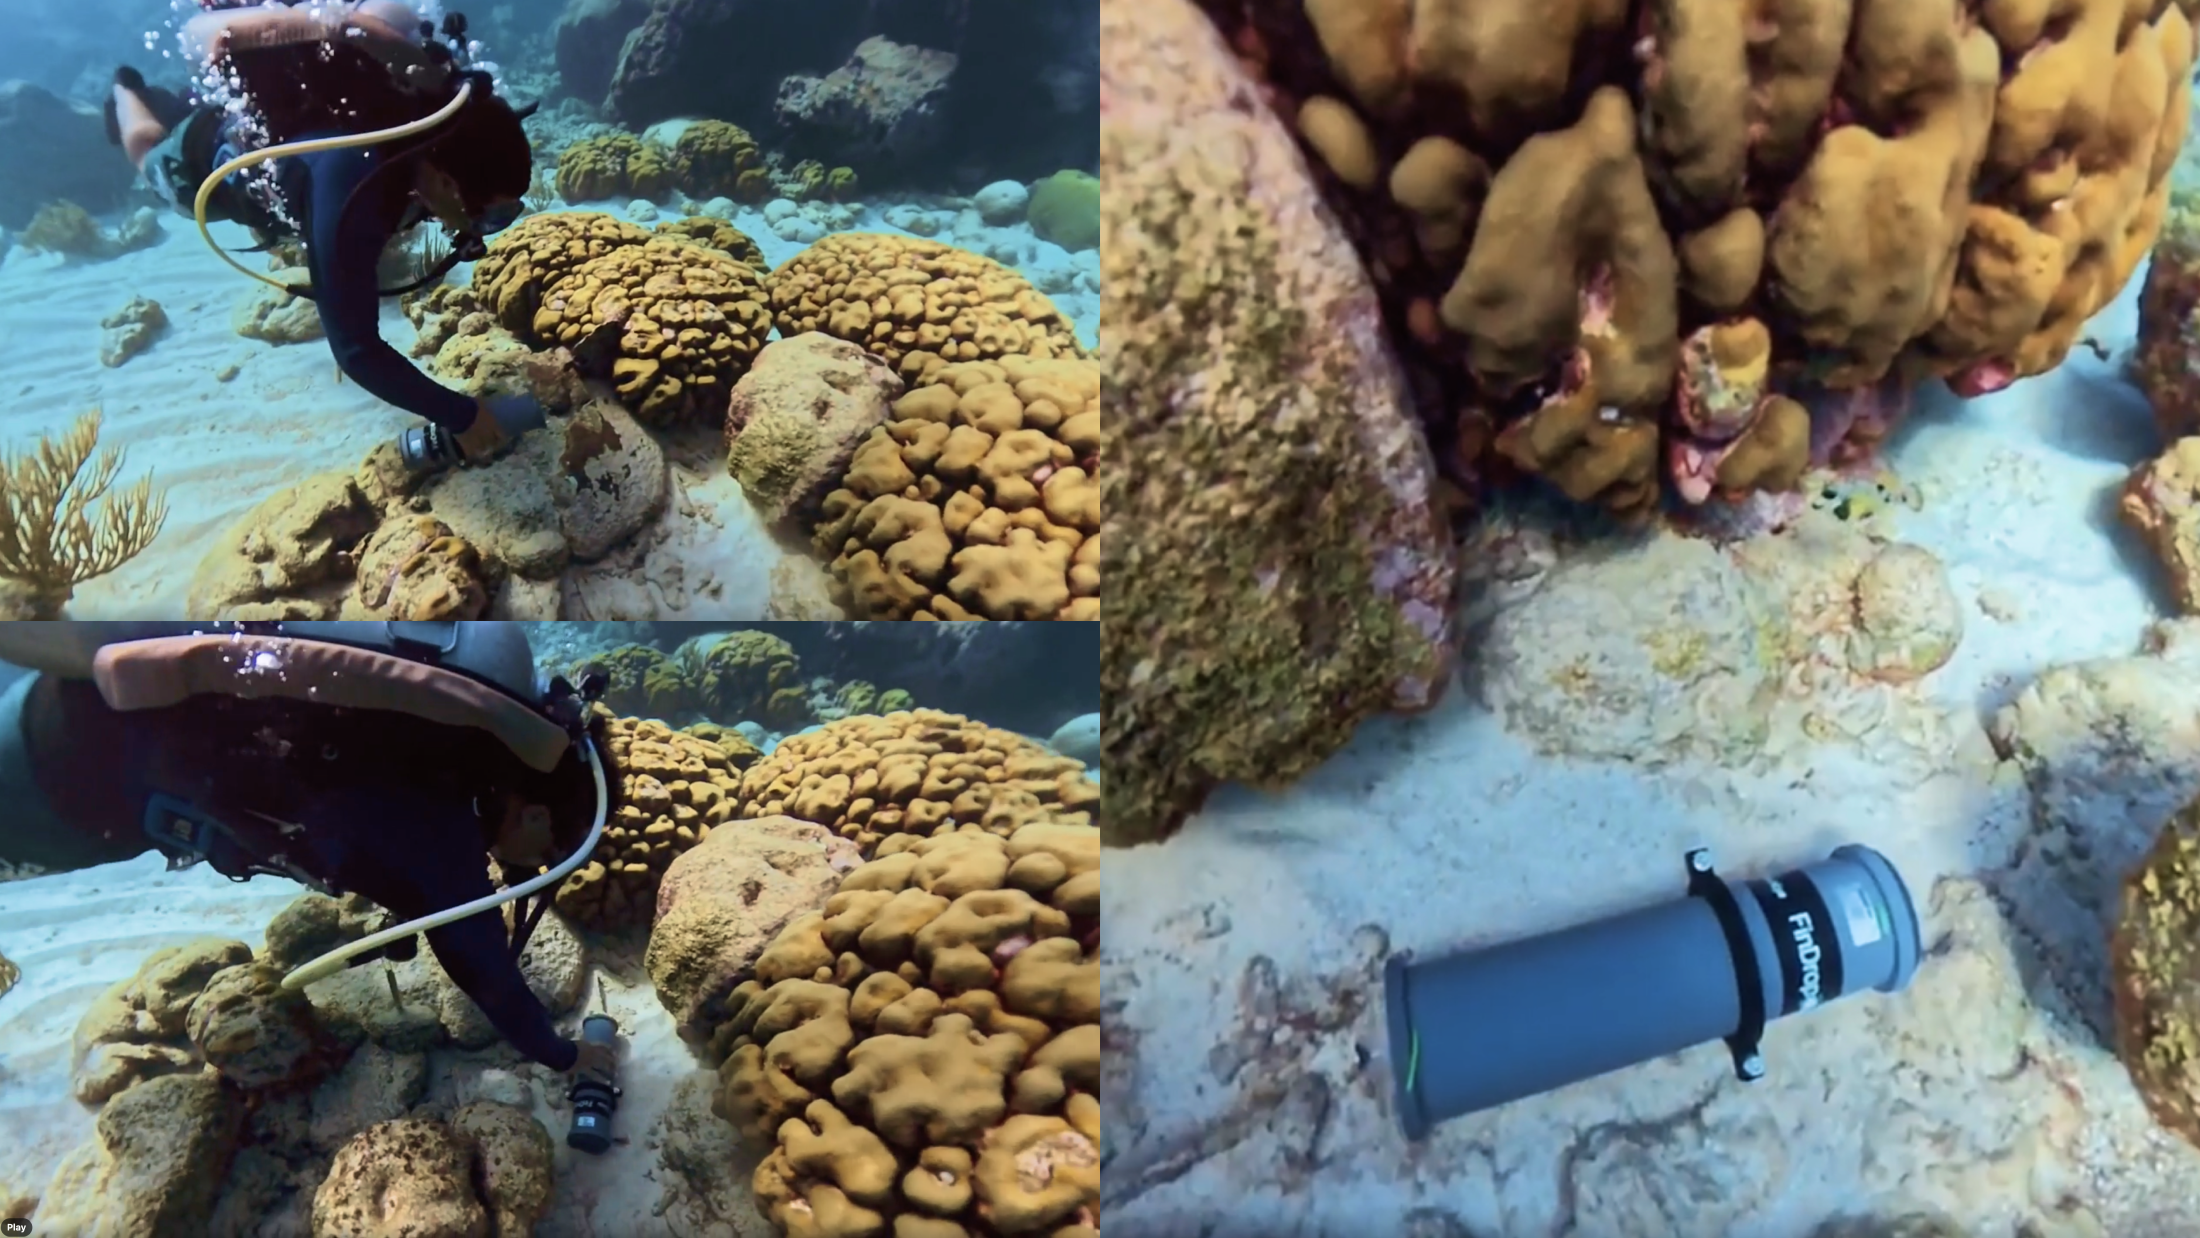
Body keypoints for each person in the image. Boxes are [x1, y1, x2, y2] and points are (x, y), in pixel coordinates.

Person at [0, 622, 618, 1098]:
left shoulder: (439, 740)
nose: (536, 869)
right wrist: (566, 1056)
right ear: (537, 814)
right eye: (549, 855)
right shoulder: (446, 814)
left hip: (78, 703)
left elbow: (373, 819)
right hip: (69, 783)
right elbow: (479, 960)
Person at [104, 1, 547, 473]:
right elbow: (355, 350)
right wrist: (462, 416)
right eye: (487, 217)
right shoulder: (353, 184)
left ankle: (184, 95)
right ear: (442, 179)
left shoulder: (445, 109)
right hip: (212, 157)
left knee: (193, 104)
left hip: (280, 123)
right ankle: (124, 89)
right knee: (146, 150)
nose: (477, 232)